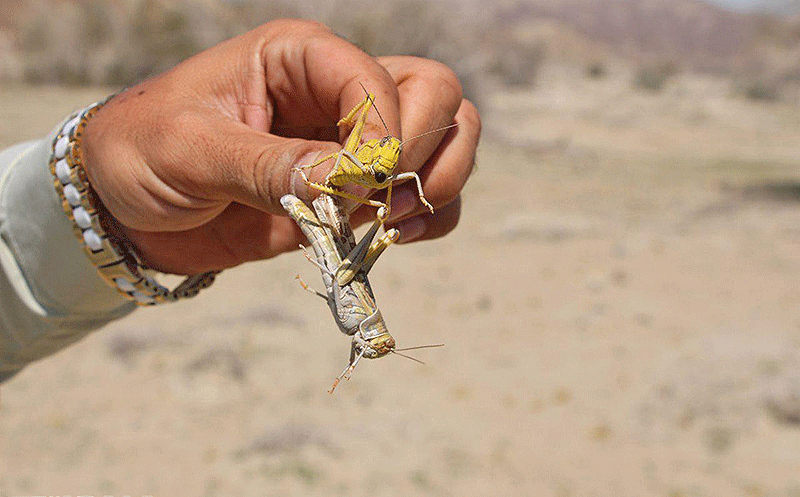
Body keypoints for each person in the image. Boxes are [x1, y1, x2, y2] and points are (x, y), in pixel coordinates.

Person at [0, 20, 480, 382]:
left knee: (376, 224)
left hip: (332, 254)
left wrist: (110, 221)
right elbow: (347, 278)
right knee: (375, 226)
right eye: (378, 341)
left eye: (375, 343)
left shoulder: (364, 331)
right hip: (339, 249)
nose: (374, 343)